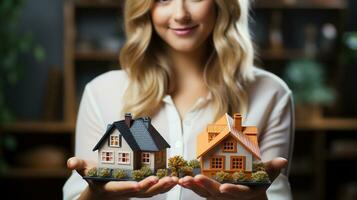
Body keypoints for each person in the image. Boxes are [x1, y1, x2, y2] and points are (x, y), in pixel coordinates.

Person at [63, 0, 294, 199]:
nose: (181, 14)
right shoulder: (101, 92)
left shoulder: (271, 94)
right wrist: (97, 195)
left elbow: (274, 195)